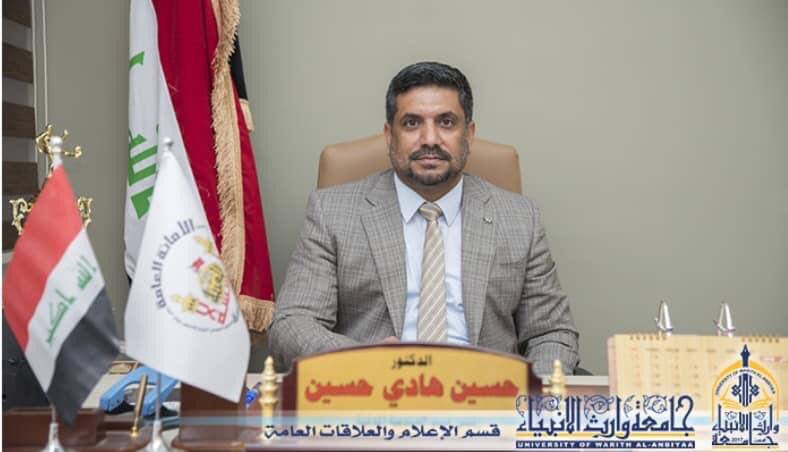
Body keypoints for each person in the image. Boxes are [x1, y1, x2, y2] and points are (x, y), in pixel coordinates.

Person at [268, 62, 578, 376]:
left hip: (487, 393)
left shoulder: (520, 218)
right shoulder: (332, 213)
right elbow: (293, 324)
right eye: (412, 123)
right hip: (373, 389)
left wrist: (534, 396)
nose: (430, 139)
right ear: (389, 136)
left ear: (469, 134)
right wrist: (360, 360)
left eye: (446, 122)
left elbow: (552, 332)